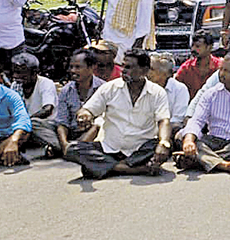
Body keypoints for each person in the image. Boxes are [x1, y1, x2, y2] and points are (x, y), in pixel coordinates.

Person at [66, 49, 171, 179]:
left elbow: (164, 121)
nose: (123, 71)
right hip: (109, 148)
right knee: (72, 149)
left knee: (163, 146)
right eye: (123, 66)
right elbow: (87, 110)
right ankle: (131, 169)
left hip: (140, 149)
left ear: (144, 71)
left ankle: (103, 167)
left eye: (129, 67)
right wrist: (84, 115)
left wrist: (164, 142)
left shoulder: (157, 92)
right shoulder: (109, 88)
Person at [53, 49, 104, 156]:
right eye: (71, 67)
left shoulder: (104, 88)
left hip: (94, 133)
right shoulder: (66, 90)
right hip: (71, 132)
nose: (73, 71)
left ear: (91, 67)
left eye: (77, 67)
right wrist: (64, 144)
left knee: (99, 125)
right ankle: (70, 148)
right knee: (37, 124)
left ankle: (67, 149)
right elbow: (62, 122)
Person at [9, 52, 59, 154]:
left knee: (32, 123)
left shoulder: (46, 83)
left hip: (45, 125)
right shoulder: (15, 85)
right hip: (26, 127)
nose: (16, 76)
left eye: (21, 73)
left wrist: (25, 122)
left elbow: (47, 109)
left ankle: (59, 146)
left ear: (34, 72)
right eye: (15, 72)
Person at [148, 53, 190, 136]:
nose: (147, 73)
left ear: (165, 73)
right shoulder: (143, 86)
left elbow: (177, 120)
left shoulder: (180, 89)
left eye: (152, 69)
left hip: (169, 132)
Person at [175, 30, 221, 99]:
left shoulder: (219, 67)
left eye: (197, 46)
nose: (193, 49)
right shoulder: (186, 68)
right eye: (192, 45)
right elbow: (175, 87)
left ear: (209, 47)